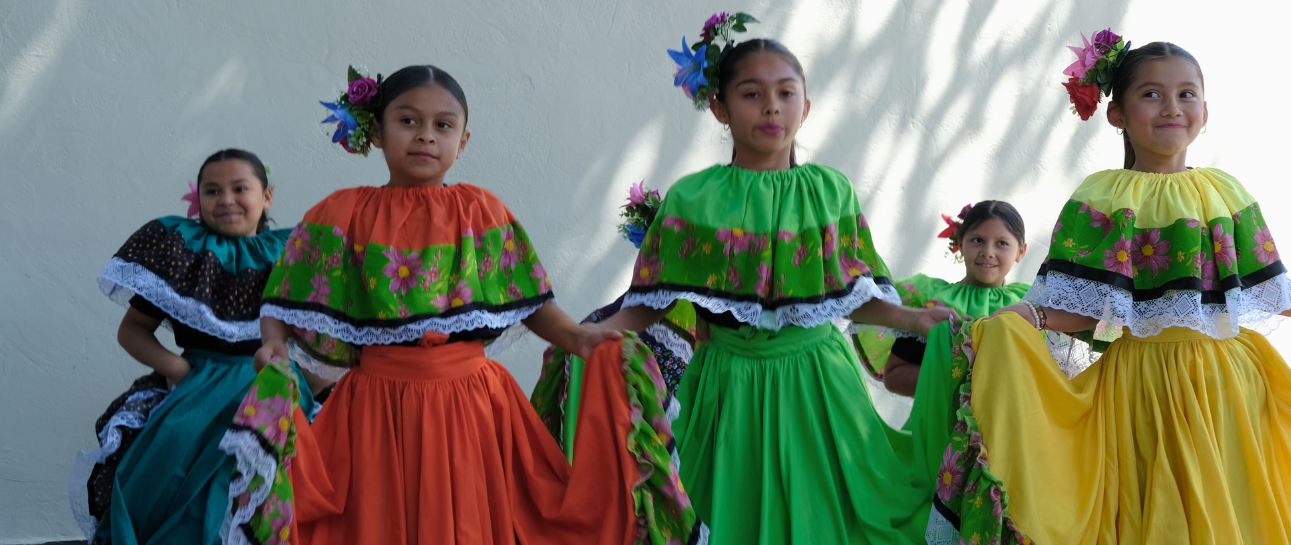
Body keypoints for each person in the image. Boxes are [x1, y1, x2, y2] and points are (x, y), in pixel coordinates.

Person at [930, 33, 1291, 543]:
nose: (1171, 107)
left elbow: (1270, 289)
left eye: (1187, 94)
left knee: (1237, 512)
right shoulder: (1102, 196)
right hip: (1141, 389)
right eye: (1151, 94)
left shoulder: (1225, 192)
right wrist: (1032, 318)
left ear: (1205, 114)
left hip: (1231, 387)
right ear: (1117, 113)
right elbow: (1092, 306)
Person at [225, 65, 687, 545]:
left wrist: (577, 336)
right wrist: (273, 346)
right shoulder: (340, 214)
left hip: (474, 407)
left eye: (442, 125)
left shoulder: (482, 212)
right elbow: (283, 301)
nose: (426, 136)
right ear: (377, 131)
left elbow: (526, 299)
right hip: (378, 410)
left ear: (463, 141)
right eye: (408, 121)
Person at [593, 14, 958, 544]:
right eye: (751, 93)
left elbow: (849, 295)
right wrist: (590, 335)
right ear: (719, 107)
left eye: (786, 93)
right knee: (727, 517)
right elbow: (652, 301)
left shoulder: (830, 193)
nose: (771, 107)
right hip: (726, 387)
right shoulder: (693, 200)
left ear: (805, 107)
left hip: (820, 387)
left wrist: (913, 318)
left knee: (834, 519)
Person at [74, 149, 320, 545]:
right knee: (170, 488)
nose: (226, 200)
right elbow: (133, 329)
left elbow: (324, 331)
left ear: (267, 196)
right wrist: (177, 369)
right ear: (199, 200)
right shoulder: (184, 253)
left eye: (240, 188)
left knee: (269, 494)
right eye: (212, 191)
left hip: (272, 394)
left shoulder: (291, 253)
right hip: (197, 393)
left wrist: (315, 382)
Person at [856, 200, 1030, 396]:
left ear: (1020, 252)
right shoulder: (935, 303)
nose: (988, 253)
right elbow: (895, 377)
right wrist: (962, 379)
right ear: (959, 243)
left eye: (1002, 243)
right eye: (977, 240)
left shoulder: (1030, 305)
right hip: (941, 423)